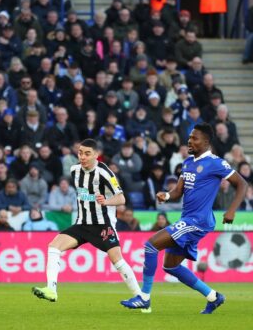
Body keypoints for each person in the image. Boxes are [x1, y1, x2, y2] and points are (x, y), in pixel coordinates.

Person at [121, 123, 247, 314]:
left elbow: (242, 184)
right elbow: (178, 191)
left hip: (198, 221)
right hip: (188, 218)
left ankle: (144, 298)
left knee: (150, 245)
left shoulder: (216, 163)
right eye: (189, 137)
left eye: (194, 138)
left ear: (206, 141)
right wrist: (167, 195)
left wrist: (231, 211)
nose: (190, 141)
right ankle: (213, 296)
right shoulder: (188, 162)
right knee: (170, 266)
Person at [32, 139, 142, 304]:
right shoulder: (75, 170)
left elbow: (121, 198)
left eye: (87, 153)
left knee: (117, 261)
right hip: (82, 224)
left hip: (103, 225)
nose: (82, 157)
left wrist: (106, 201)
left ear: (97, 155)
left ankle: (141, 297)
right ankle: (51, 290)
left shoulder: (105, 173)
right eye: (80, 153)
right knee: (54, 247)